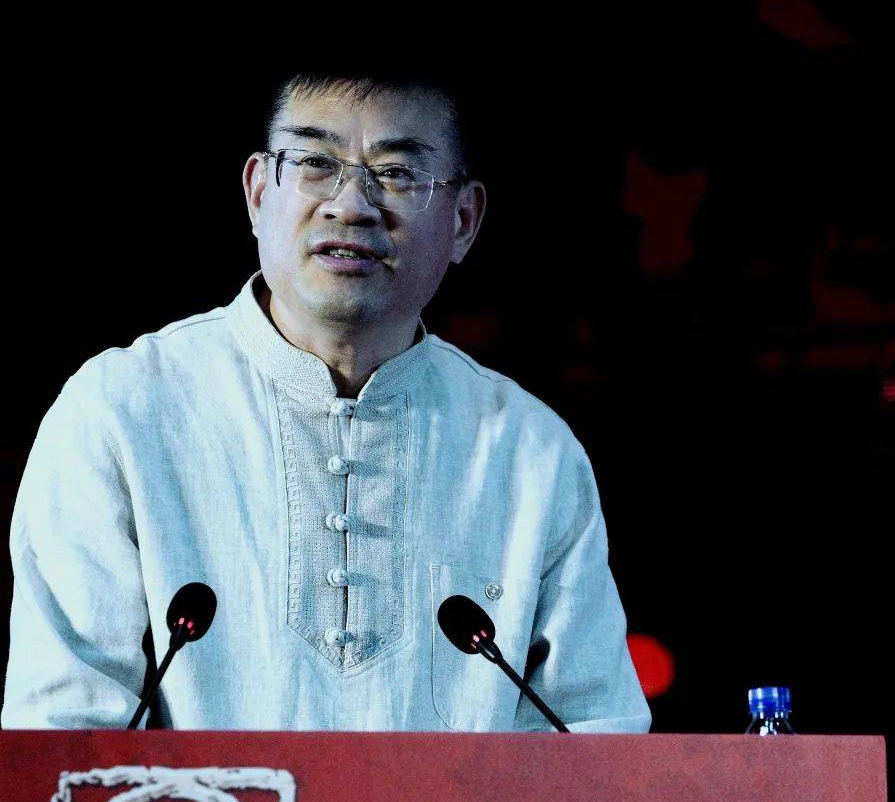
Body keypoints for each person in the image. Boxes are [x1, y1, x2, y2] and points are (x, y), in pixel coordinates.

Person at [2, 71, 650, 733]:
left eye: (397, 173)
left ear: (463, 220)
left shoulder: (530, 451)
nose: (351, 206)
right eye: (315, 162)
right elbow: (62, 736)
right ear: (258, 193)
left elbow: (594, 740)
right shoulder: (121, 413)